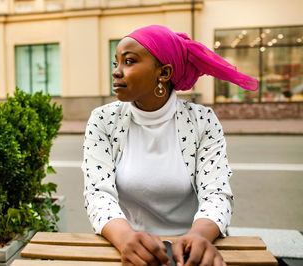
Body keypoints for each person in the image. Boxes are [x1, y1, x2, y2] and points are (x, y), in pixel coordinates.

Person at [82, 25, 258, 266]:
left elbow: (217, 194)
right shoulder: (103, 120)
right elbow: (98, 194)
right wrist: (125, 238)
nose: (116, 72)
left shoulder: (202, 121)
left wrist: (197, 236)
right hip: (126, 247)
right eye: (116, 64)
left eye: (129, 61)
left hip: (190, 250)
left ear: (163, 73)